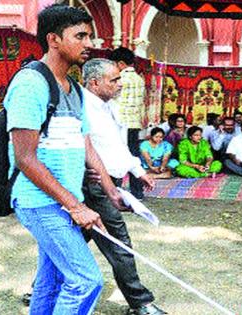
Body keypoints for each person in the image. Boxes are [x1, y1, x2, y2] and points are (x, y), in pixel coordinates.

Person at [4, 4, 124, 313]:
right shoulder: (31, 84)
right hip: (40, 202)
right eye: (80, 36)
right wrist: (75, 206)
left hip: (63, 203)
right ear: (54, 39)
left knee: (51, 280)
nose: (89, 44)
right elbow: (25, 158)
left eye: (90, 36)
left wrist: (111, 191)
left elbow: (86, 146)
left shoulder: (76, 90)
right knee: (86, 281)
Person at [82, 58, 166, 315]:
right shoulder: (82, 107)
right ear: (95, 83)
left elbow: (118, 147)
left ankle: (39, 286)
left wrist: (138, 172)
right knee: (119, 242)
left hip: (113, 181)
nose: (121, 85)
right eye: (115, 80)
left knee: (76, 237)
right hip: (96, 185)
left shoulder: (110, 106)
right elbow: (81, 149)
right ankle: (140, 302)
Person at [109, 47, 145, 199]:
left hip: (120, 123)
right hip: (134, 122)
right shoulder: (139, 79)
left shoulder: (120, 79)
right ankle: (137, 191)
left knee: (117, 155)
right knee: (134, 155)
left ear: (121, 64)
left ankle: (114, 189)